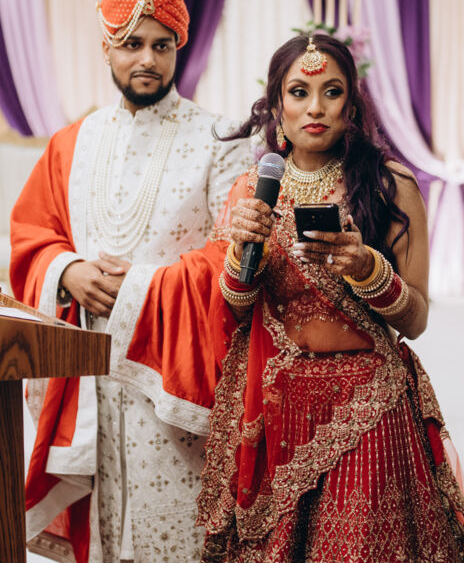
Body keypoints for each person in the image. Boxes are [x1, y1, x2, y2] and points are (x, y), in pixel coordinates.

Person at [115, 34, 464, 561]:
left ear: (352, 105)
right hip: (278, 412)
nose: (315, 107)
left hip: (367, 409)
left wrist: (367, 268)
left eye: (332, 91)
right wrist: (243, 252)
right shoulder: (252, 188)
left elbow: (415, 320)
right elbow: (236, 309)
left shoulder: (389, 185)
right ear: (277, 105)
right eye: (299, 92)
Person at [10, 0, 254, 563]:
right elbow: (34, 234)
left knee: (179, 533)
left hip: (174, 381)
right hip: (89, 371)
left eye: (161, 45)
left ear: (179, 48)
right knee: (106, 533)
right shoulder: (73, 142)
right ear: (107, 48)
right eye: (131, 43)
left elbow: (237, 256)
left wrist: (143, 287)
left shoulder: (220, 139)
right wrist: (67, 270)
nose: (146, 58)